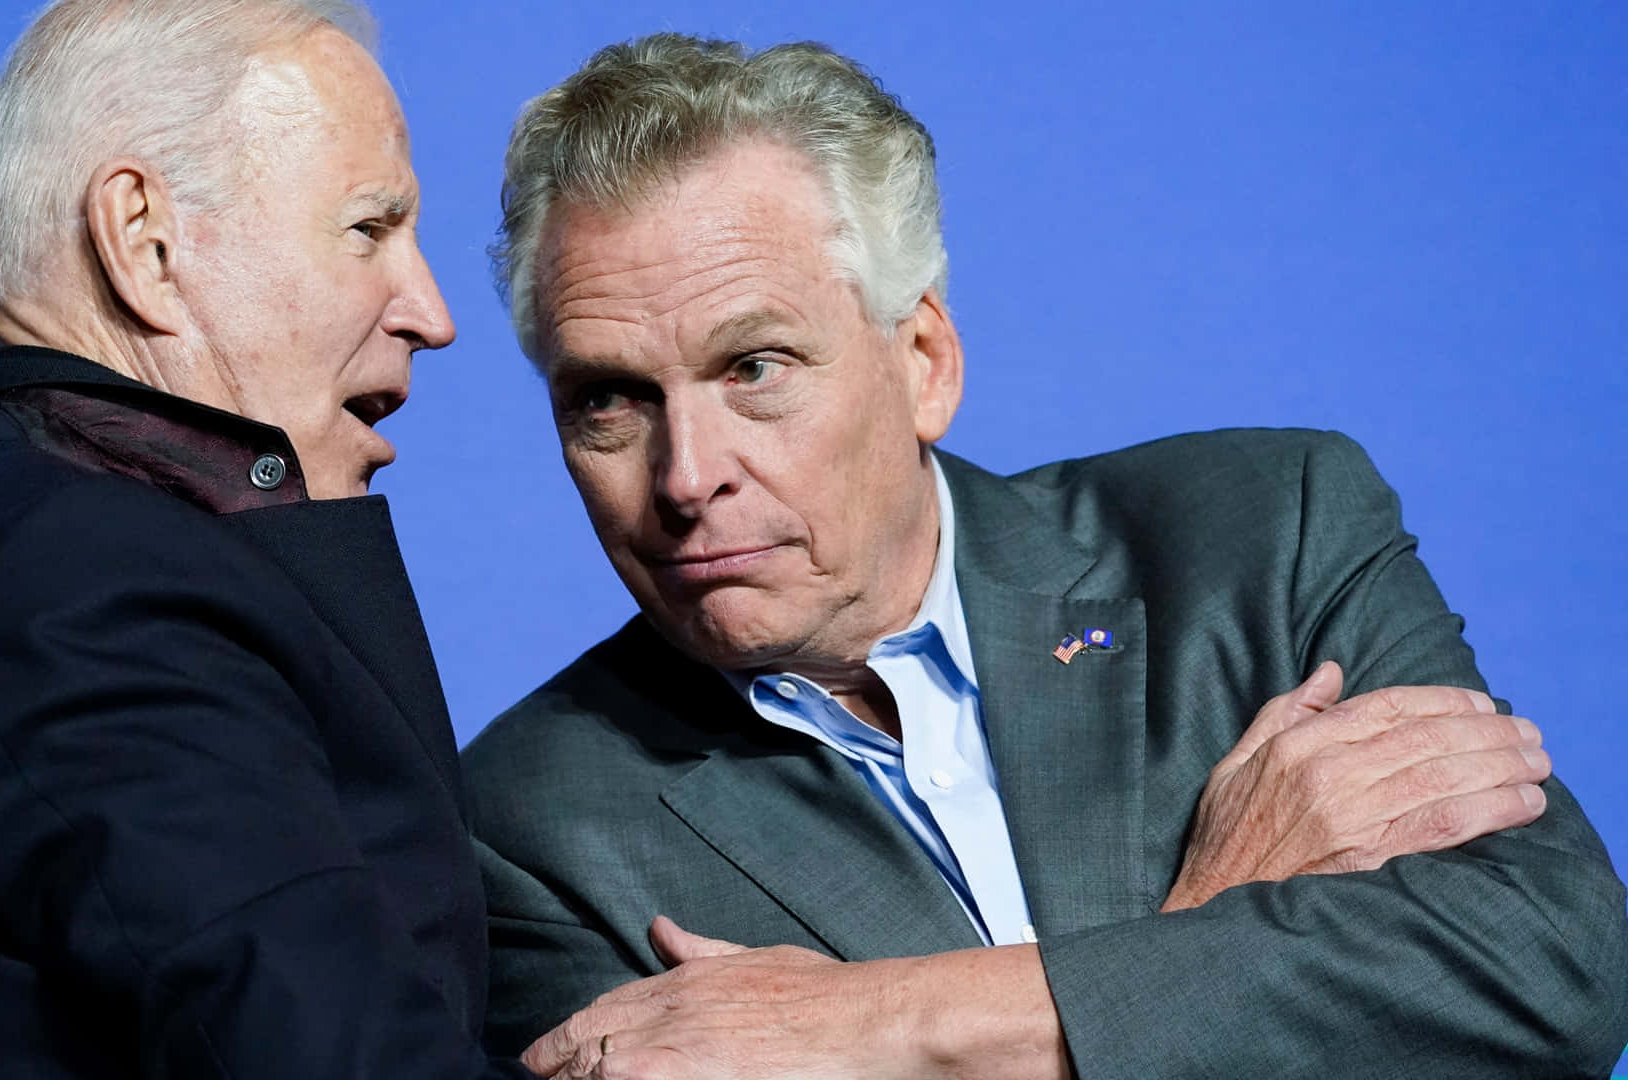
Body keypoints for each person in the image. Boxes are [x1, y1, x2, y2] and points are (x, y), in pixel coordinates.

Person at [460, 34, 1628, 1079]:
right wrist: (1209, 913)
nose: (682, 476)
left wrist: (883, 1025)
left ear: (923, 360)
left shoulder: (1266, 536)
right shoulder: (534, 831)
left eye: (755, 367)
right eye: (610, 400)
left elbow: (1556, 971)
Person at [0, 2, 530, 1076]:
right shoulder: (80, 595)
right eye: (368, 230)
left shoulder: (33, 552)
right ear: (145, 241)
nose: (431, 312)